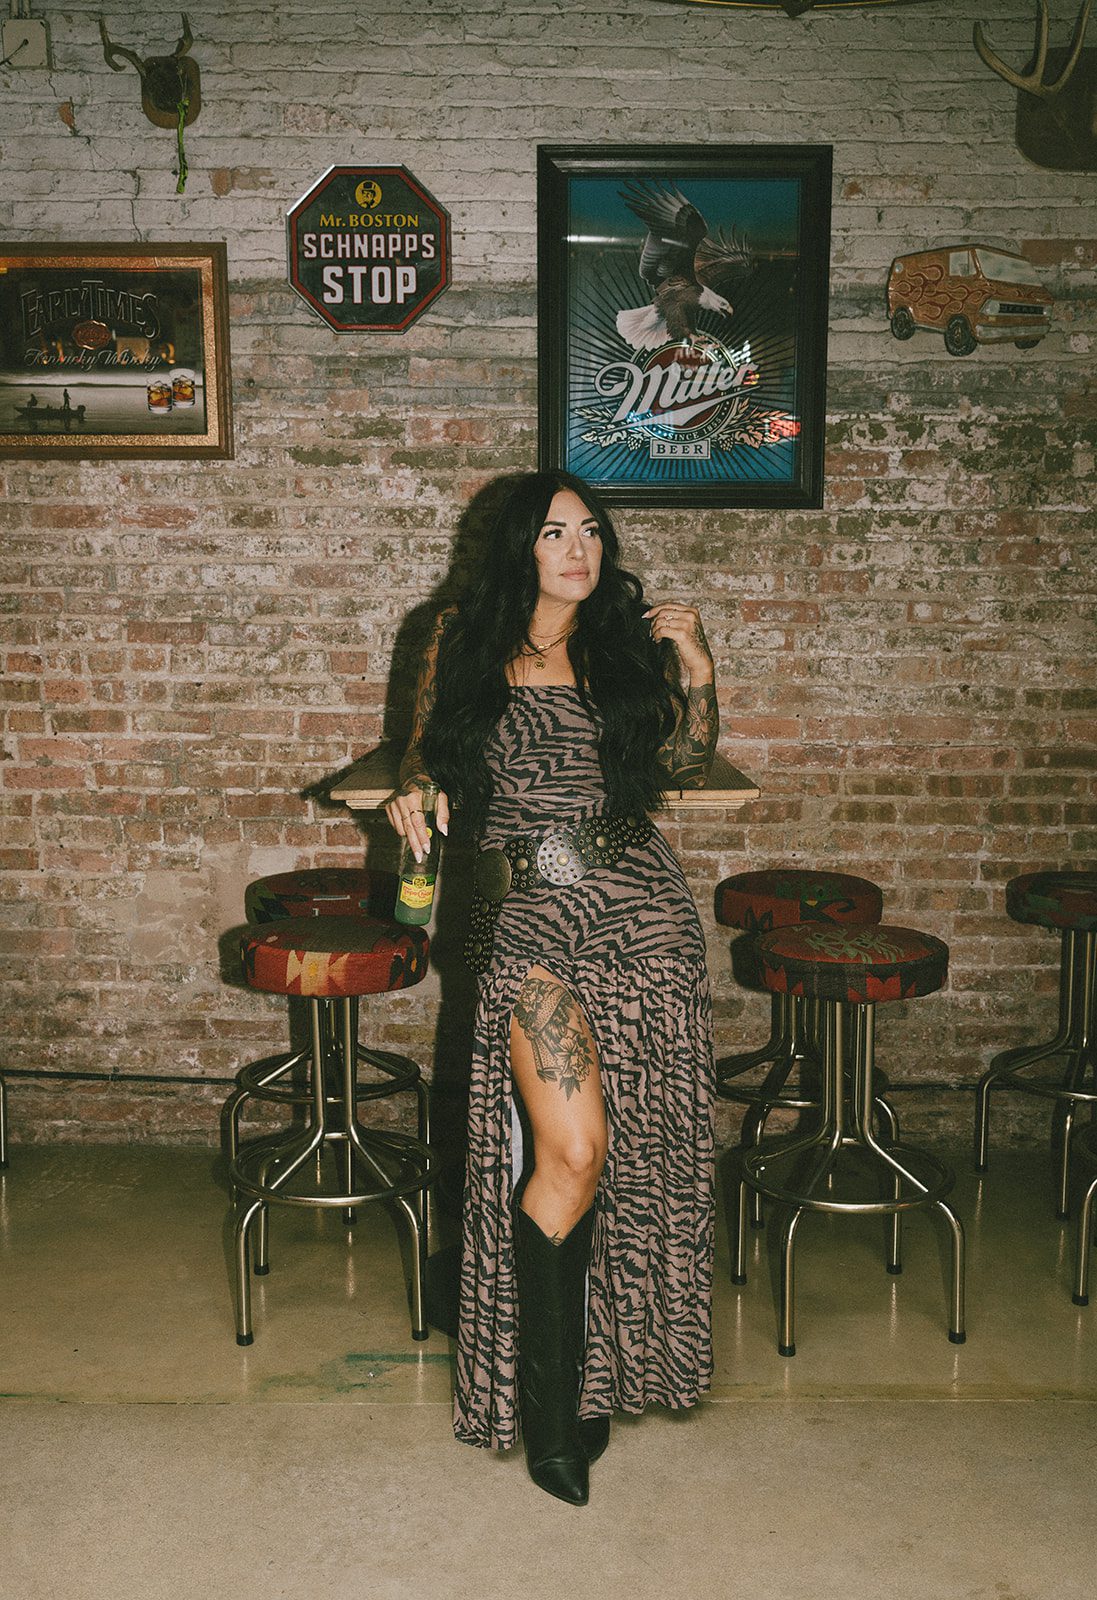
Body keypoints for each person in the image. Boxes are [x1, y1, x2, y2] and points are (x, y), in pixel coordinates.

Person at [386, 470, 718, 1506]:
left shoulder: (624, 642)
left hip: (644, 913)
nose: (576, 549)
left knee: (632, 1152)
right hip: (530, 920)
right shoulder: (457, 635)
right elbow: (425, 752)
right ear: (515, 549)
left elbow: (680, 761)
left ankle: (591, 1373)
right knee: (570, 1150)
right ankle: (548, 1404)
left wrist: (697, 676)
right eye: (552, 533)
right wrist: (412, 791)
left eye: (589, 531)